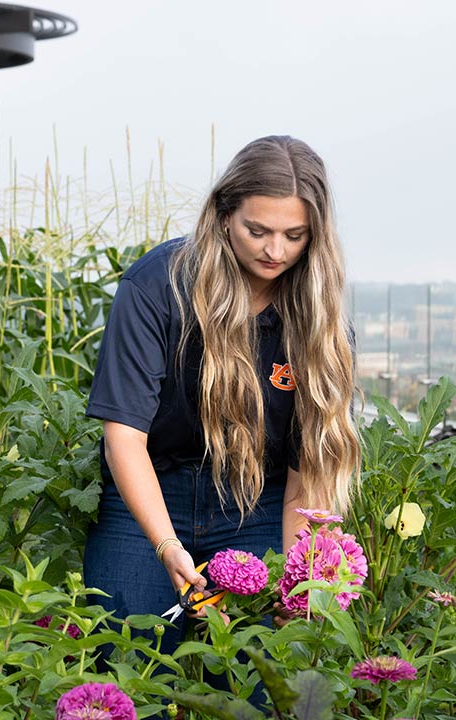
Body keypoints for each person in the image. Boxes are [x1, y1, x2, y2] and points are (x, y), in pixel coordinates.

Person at [83, 135, 360, 662]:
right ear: (223, 214)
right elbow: (123, 436)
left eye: (294, 235)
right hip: (148, 493)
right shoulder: (156, 286)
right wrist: (168, 549)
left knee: (251, 677)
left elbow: (307, 474)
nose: (274, 251)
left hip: (255, 501)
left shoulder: (320, 323)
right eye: (257, 230)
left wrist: (300, 581)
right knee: (126, 661)